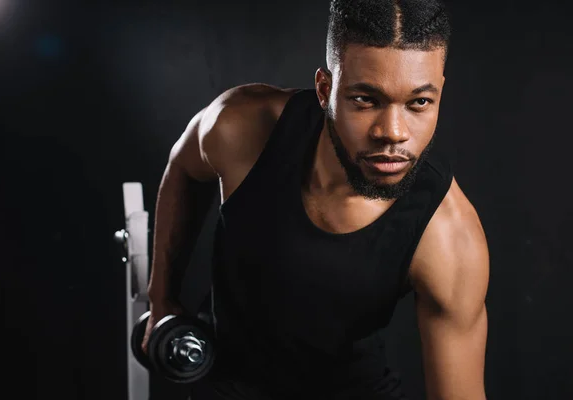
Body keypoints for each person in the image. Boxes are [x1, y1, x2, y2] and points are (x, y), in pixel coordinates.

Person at [143, 0, 489, 399]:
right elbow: (184, 168)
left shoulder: (448, 235)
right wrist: (162, 298)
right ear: (326, 90)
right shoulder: (243, 128)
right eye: (365, 99)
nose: (393, 132)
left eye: (419, 103)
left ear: (439, 93)